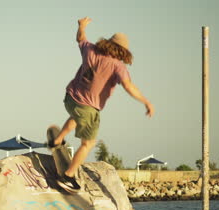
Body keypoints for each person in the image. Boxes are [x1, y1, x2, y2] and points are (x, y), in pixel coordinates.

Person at [49, 17, 155, 192]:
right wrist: (146, 101)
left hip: (71, 98)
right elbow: (129, 86)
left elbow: (80, 38)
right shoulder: (118, 67)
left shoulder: (90, 50)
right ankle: (67, 176)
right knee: (88, 143)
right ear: (123, 51)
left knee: (76, 117)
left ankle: (57, 140)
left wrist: (81, 26)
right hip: (89, 108)